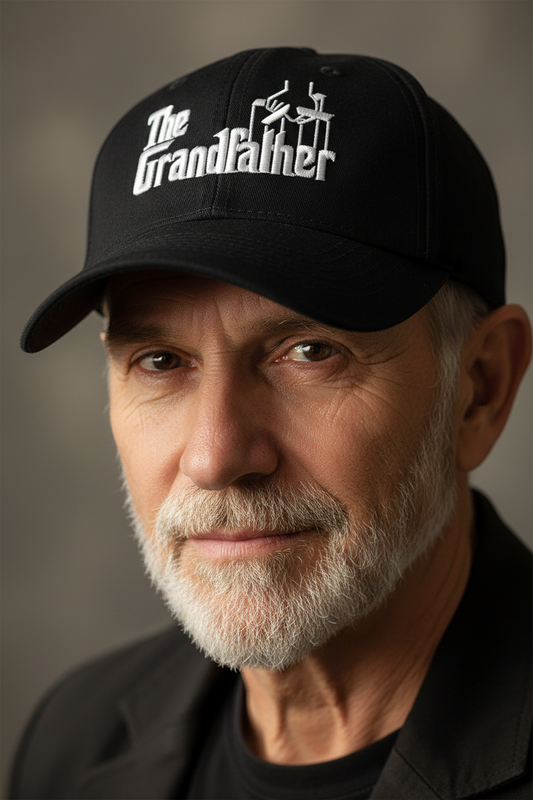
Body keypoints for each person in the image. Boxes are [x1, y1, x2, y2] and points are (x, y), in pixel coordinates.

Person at [11, 48, 531, 800]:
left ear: (479, 388)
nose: (217, 454)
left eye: (310, 352)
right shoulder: (72, 741)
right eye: (160, 361)